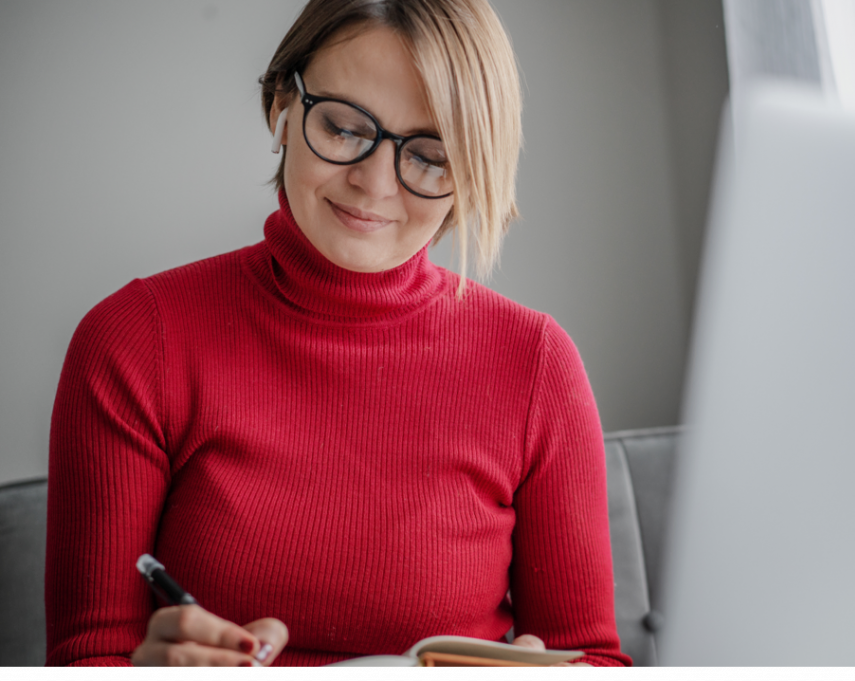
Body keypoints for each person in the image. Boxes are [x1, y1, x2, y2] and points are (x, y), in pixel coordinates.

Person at [45, 0, 628, 667]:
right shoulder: (131, 342)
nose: (374, 185)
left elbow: (593, 655)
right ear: (280, 109)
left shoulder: (537, 365)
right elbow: (87, 652)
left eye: (431, 156)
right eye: (345, 128)